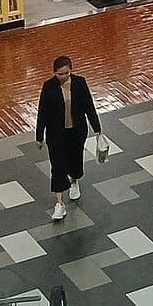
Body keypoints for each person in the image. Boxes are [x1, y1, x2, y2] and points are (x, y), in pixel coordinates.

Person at [34, 55, 101, 222]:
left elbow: (89, 106)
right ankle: (59, 203)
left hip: (76, 131)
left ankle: (74, 180)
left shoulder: (80, 83)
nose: (63, 77)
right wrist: (39, 136)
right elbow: (42, 112)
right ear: (54, 73)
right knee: (57, 166)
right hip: (56, 134)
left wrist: (97, 129)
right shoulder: (48, 87)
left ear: (71, 70)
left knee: (75, 158)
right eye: (59, 74)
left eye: (66, 73)